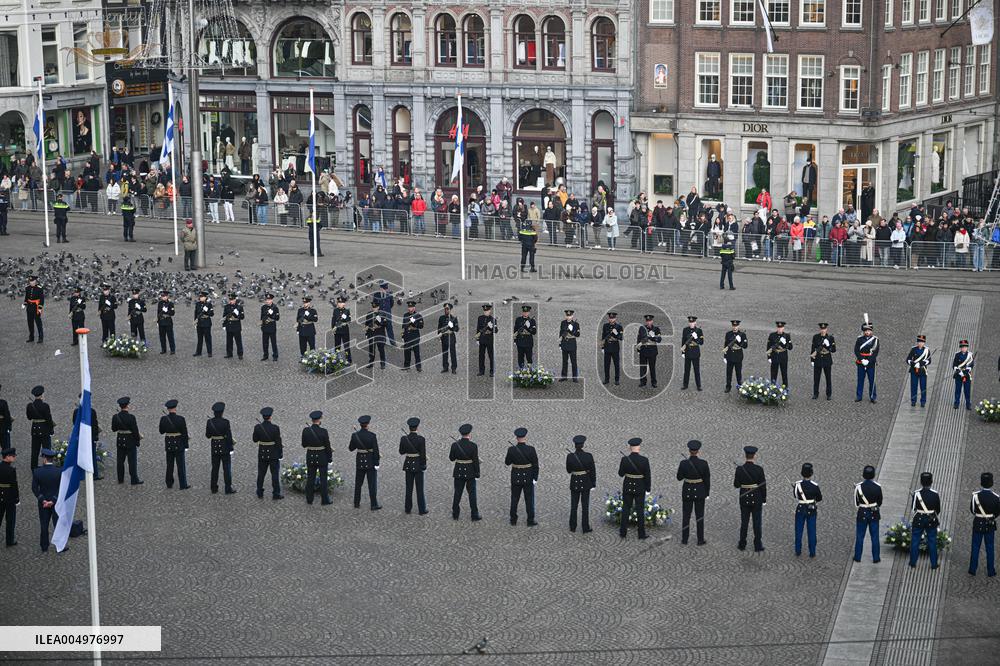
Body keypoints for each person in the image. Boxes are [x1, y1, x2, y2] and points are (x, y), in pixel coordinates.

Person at [677, 439, 710, 545]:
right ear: (698, 451)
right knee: (700, 516)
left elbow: (679, 478)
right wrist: (707, 493)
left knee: (686, 516)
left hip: (687, 491)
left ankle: (684, 539)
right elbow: (707, 480)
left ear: (689, 451)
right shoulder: (704, 463)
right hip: (700, 491)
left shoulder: (683, 463)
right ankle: (700, 539)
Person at [734, 445, 766, 552]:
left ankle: (742, 543)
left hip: (744, 498)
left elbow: (736, 485)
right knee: (757, 523)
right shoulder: (759, 469)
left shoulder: (739, 469)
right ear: (754, 456)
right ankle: (758, 544)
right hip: (757, 498)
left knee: (744, 522)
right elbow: (763, 486)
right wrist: (764, 499)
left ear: (745, 455)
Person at [618, 438, 651, 540]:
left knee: (626, 509)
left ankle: (623, 532)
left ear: (629, 448)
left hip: (628, 486)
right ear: (639, 447)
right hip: (640, 487)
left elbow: (620, 474)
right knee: (640, 510)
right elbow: (648, 476)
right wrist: (648, 488)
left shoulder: (624, 460)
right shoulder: (644, 460)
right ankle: (641, 534)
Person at [909, 472, 941, 570]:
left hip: (919, 519)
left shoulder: (916, 493)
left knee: (915, 541)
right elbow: (938, 509)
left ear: (921, 482)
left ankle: (913, 562)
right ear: (931, 481)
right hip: (931, 519)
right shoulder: (935, 494)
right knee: (932, 541)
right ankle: (934, 564)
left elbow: (913, 508)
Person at [969, 472, 998, 577]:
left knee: (975, 547)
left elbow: (972, 510)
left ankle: (972, 569)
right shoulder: (996, 497)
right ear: (992, 483)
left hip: (978, 523)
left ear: (981, 483)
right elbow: (997, 512)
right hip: (990, 524)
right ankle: (991, 571)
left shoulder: (975, 496)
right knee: (990, 547)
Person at [349, 415, 381, 510]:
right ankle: (374, 504)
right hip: (370, 462)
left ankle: (356, 503)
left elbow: (351, 448)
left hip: (360, 462)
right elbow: (376, 451)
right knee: (372, 484)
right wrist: (377, 463)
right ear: (367, 424)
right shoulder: (372, 436)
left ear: (360, 425)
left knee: (358, 483)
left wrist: (356, 441)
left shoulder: (355, 435)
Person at [450, 423, 481, 521]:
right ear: (469, 433)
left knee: (457, 493)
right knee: (472, 494)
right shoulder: (473, 446)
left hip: (458, 471)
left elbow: (451, 458)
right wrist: (477, 473)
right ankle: (474, 514)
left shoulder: (455, 445)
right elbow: (475, 461)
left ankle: (455, 513)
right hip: (470, 472)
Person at [31, 448, 61, 552]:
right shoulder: (58, 471)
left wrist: (43, 500)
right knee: (57, 524)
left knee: (44, 525)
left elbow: (34, 488)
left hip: (43, 503)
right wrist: (53, 500)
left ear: (44, 459)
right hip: (56, 502)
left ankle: (44, 546)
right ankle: (59, 545)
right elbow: (61, 488)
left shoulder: (37, 472)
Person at [853, 465, 883, 563]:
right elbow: (880, 502)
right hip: (874, 513)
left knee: (860, 536)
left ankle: (857, 557)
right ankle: (876, 557)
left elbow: (857, 503)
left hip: (862, 512)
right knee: (874, 537)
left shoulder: (858, 487)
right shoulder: (878, 487)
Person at [566, 435, 596, 533]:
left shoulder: (570, 456)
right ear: (583, 445)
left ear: (575, 445)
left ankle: (572, 526)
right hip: (586, 482)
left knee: (574, 506)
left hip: (575, 482)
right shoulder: (588, 456)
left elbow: (569, 470)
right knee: (585, 506)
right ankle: (585, 527)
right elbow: (592, 471)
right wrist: (593, 483)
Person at [302, 411, 332, 506]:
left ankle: (309, 499)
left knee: (310, 478)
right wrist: (330, 457)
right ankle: (324, 500)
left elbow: (304, 445)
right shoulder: (323, 431)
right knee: (323, 479)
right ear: (320, 419)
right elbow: (327, 446)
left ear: (312, 420)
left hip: (310, 456)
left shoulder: (306, 430)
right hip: (322, 457)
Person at [253, 407, 283, 500]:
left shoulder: (258, 427)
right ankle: (276, 493)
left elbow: (255, 439)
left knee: (261, 474)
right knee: (274, 474)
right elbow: (278, 442)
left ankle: (259, 492)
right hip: (273, 454)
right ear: (270, 417)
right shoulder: (275, 428)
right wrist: (280, 454)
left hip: (262, 453)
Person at [159, 399, 190, 490]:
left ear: (168, 409)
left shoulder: (163, 419)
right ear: (175, 408)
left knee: (169, 465)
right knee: (181, 465)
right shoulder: (181, 419)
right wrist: (186, 445)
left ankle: (169, 483)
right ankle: (183, 484)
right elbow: (184, 434)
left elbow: (161, 431)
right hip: (179, 443)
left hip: (169, 444)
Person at [793, 463, 822, 558]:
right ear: (811, 473)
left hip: (801, 508)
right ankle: (812, 552)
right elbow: (819, 498)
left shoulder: (797, 485)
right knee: (812, 531)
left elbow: (796, 496)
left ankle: (798, 550)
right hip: (811, 509)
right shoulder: (815, 485)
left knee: (798, 530)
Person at [111, 396, 142, 485]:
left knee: (120, 461)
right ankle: (134, 479)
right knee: (132, 462)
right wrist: (137, 441)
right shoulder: (131, 417)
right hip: (130, 441)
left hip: (120, 440)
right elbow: (135, 431)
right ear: (127, 405)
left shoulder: (115, 417)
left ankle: (120, 479)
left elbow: (113, 429)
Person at [400, 417, 427, 515]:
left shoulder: (404, 439)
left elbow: (401, 452)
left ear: (409, 428)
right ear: (417, 427)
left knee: (409, 488)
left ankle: (408, 508)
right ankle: (422, 509)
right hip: (418, 465)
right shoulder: (421, 439)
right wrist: (424, 465)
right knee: (420, 489)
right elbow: (423, 454)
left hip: (408, 464)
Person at [25, 385, 54, 470]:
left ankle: (33, 467)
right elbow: (49, 419)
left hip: (35, 430)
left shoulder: (30, 405)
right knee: (47, 449)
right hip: (44, 429)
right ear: (42, 395)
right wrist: (51, 429)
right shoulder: (45, 405)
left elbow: (29, 418)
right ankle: (47, 466)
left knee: (35, 450)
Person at [854, 322, 879, 403]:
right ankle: (859, 396)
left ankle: (873, 397)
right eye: (866, 331)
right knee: (860, 380)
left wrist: (868, 360)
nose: (867, 332)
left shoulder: (875, 340)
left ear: (871, 331)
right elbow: (856, 351)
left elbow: (875, 352)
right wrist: (862, 359)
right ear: (863, 331)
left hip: (871, 363)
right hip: (861, 363)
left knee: (872, 380)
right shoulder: (859, 339)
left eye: (869, 330)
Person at [811, 323, 837, 400]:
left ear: (826, 329)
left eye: (824, 329)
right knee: (816, 378)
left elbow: (834, 350)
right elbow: (813, 349)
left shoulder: (830, 338)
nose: (823, 330)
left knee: (828, 378)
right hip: (818, 359)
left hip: (827, 359)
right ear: (820, 329)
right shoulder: (816, 337)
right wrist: (812, 360)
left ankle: (829, 394)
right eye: (822, 329)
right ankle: (815, 393)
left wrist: (828, 345)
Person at [0, 447, 18, 546]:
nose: (14, 458)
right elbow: (14, 486)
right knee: (10, 520)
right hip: (10, 498)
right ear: (7, 457)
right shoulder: (11, 470)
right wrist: (17, 498)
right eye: (13, 456)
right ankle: (9, 540)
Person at [637, 315, 662, 388]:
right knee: (643, 368)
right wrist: (638, 349)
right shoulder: (642, 328)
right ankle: (643, 382)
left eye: (650, 321)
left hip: (652, 351)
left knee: (652, 367)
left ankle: (654, 382)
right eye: (647, 321)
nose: (648, 322)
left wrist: (652, 337)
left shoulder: (656, 329)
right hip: (643, 350)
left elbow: (659, 340)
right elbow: (638, 339)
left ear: (652, 321)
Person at [906, 335, 931, 407]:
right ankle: (913, 401)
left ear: (924, 343)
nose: (920, 343)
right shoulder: (913, 349)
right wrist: (913, 364)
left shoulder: (927, 350)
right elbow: (908, 359)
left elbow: (929, 361)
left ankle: (923, 401)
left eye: (922, 342)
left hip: (923, 371)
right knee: (914, 386)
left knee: (923, 387)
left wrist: (920, 363)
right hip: (914, 371)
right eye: (919, 342)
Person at [723, 320, 747, 393]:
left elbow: (745, 346)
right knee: (729, 373)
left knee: (738, 373)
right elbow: (726, 345)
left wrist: (740, 342)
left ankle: (740, 386)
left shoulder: (742, 335)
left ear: (738, 326)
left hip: (738, 356)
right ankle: (728, 386)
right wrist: (725, 356)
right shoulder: (728, 334)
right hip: (730, 356)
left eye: (736, 326)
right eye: (733, 326)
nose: (735, 327)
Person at [681, 315, 704, 391]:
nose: (691, 323)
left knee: (696, 370)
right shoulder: (685, 330)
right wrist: (683, 352)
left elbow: (701, 342)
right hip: (687, 352)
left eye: (693, 322)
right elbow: (683, 341)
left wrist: (696, 337)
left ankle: (699, 385)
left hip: (695, 353)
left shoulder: (699, 331)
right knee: (686, 370)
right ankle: (685, 385)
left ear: (695, 322)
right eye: (690, 322)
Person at [766, 321, 792, 388]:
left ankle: (785, 388)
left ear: (783, 328)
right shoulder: (772, 335)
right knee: (773, 373)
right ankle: (773, 387)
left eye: (781, 327)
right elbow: (768, 346)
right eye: (778, 327)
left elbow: (790, 347)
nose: (780, 329)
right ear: (777, 328)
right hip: (774, 356)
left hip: (783, 357)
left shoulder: (787, 336)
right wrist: (769, 357)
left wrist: (785, 343)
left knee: (784, 373)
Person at [601, 311, 624, 386]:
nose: (611, 320)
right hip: (607, 348)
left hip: (615, 348)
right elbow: (603, 337)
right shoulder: (605, 326)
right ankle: (606, 379)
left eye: (613, 318)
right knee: (606, 365)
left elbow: (621, 338)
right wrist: (602, 347)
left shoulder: (619, 327)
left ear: (615, 318)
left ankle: (617, 380)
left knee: (616, 365)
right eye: (610, 318)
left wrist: (616, 333)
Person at [558, 310, 581, 382]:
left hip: (572, 344)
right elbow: (561, 333)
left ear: (572, 316)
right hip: (565, 343)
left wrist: (571, 331)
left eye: (570, 316)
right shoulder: (563, 323)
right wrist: (560, 344)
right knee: (564, 361)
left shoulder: (576, 324)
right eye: (567, 316)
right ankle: (564, 376)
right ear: (565, 316)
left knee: (573, 361)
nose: (568, 317)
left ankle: (575, 377)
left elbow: (578, 335)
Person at [437, 302, 460, 373]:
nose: (447, 310)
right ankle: (445, 367)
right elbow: (439, 328)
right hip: (444, 338)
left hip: (451, 338)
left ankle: (454, 368)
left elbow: (457, 329)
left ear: (450, 309)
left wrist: (452, 326)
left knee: (453, 353)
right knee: (444, 353)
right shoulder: (441, 318)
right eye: (446, 309)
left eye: (448, 309)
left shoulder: (453, 318)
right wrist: (439, 336)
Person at [364, 301, 388, 370]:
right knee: (371, 350)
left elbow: (386, 324)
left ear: (378, 307)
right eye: (373, 307)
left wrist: (378, 317)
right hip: (371, 334)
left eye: (375, 307)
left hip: (380, 334)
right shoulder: (369, 314)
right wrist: (366, 333)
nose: (374, 309)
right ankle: (371, 363)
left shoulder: (382, 314)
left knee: (381, 350)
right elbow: (366, 323)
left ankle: (382, 363)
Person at [401, 301, 424, 371]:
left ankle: (418, 367)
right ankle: (406, 366)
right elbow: (403, 325)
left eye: (411, 307)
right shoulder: (405, 315)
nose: (409, 308)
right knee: (407, 352)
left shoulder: (418, 316)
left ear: (414, 308)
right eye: (409, 307)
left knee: (416, 351)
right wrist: (402, 335)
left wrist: (414, 324)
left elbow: (421, 326)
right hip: (407, 336)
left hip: (415, 336)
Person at [953, 339, 974, 410]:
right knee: (957, 390)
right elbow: (954, 365)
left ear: (967, 347)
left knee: (967, 391)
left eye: (965, 347)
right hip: (959, 375)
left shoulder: (970, 355)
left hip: (967, 376)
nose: (963, 348)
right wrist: (959, 371)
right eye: (962, 347)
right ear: (960, 348)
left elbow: (971, 365)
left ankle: (968, 404)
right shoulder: (957, 355)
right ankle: (956, 403)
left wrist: (966, 371)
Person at [513, 305, 537, 370]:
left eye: (527, 312)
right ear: (522, 312)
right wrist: (515, 340)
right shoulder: (518, 319)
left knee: (529, 357)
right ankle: (521, 370)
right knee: (520, 357)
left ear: (529, 312)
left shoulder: (532, 321)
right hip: (520, 342)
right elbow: (515, 330)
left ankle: (530, 370)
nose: (525, 313)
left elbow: (534, 332)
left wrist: (528, 327)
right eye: (524, 312)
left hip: (528, 342)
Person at [476, 304, 496, 377]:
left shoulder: (493, 319)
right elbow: (478, 328)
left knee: (491, 356)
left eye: (487, 311)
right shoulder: (480, 318)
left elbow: (496, 330)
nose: (486, 312)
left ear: (490, 311)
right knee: (481, 356)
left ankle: (492, 371)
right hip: (482, 339)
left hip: (489, 340)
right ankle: (481, 371)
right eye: (485, 311)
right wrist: (477, 339)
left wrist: (492, 327)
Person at [222, 293, 245, 359]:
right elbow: (224, 316)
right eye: (230, 299)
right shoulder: (227, 306)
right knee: (229, 341)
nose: (231, 301)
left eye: (232, 299)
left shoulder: (239, 307)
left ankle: (240, 354)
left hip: (236, 326)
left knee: (238, 341)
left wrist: (237, 314)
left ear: (235, 299)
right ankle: (229, 353)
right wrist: (224, 325)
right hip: (229, 326)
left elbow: (242, 317)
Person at [373, 282, 396, 346]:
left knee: (390, 329)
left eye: (386, 289)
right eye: (384, 289)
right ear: (380, 288)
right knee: (381, 328)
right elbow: (374, 305)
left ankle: (392, 342)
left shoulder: (389, 295)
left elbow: (391, 304)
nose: (385, 290)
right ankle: (383, 341)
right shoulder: (376, 295)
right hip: (379, 315)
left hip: (388, 315)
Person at [23, 275, 44, 344]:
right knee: (30, 323)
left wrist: (40, 308)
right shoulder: (27, 288)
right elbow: (26, 297)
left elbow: (42, 299)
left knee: (38, 323)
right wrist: (25, 304)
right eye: (30, 281)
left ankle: (40, 338)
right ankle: (31, 337)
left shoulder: (39, 288)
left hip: (36, 307)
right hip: (29, 307)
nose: (31, 282)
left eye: (32, 281)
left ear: (35, 281)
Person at [193, 291, 214, 357]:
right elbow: (196, 313)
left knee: (208, 338)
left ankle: (209, 352)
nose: (200, 298)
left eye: (202, 297)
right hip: (199, 323)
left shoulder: (209, 304)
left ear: (205, 297)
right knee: (199, 339)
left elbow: (212, 314)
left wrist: (206, 311)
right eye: (200, 297)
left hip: (206, 323)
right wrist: (195, 321)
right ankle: (198, 352)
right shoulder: (198, 304)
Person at [332, 296, 352, 364]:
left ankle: (348, 360)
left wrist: (344, 320)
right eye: (339, 303)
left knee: (346, 346)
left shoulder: (347, 311)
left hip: (344, 330)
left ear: (344, 304)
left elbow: (349, 321)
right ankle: (336, 359)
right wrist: (333, 328)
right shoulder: (335, 310)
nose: (339, 304)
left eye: (341, 303)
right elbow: (333, 320)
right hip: (337, 331)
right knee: (337, 346)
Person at [260, 293, 279, 361]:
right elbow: (262, 317)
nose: (267, 301)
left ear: (272, 300)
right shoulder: (263, 307)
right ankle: (265, 355)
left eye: (269, 299)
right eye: (266, 299)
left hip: (271, 327)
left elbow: (277, 318)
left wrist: (272, 315)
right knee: (265, 342)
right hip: (265, 326)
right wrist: (262, 325)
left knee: (273, 342)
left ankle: (275, 355)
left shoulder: (275, 308)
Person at [156, 290, 176, 355]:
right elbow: (158, 313)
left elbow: (173, 313)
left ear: (167, 296)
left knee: (170, 336)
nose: (163, 297)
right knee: (162, 337)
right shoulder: (160, 303)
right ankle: (163, 349)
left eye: (164, 296)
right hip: (161, 322)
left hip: (168, 322)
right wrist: (158, 321)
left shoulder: (170, 304)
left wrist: (167, 311)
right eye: (162, 296)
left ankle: (172, 350)